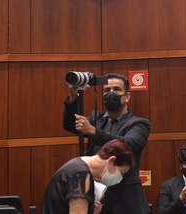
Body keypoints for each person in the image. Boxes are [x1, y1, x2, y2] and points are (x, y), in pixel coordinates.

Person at [63, 74, 151, 214]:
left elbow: (128, 144)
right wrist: (73, 98)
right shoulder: (96, 118)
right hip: (98, 197)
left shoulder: (139, 123)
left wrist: (94, 131)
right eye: (107, 90)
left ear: (127, 97)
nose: (111, 93)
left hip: (126, 200)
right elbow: (70, 125)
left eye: (116, 89)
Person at [42, 139, 133, 214]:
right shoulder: (81, 175)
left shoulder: (77, 165)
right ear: (111, 161)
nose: (120, 178)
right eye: (121, 173)